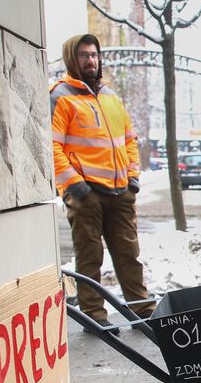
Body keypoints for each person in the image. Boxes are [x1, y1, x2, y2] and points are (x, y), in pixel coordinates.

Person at [51, 33, 152, 335]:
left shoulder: (111, 97)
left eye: (94, 55)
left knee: (128, 254)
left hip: (120, 191)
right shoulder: (60, 96)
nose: (91, 60)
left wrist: (133, 178)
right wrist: (75, 187)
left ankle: (142, 308)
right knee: (89, 256)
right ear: (72, 59)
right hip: (86, 194)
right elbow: (52, 146)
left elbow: (130, 140)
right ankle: (94, 315)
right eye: (83, 55)